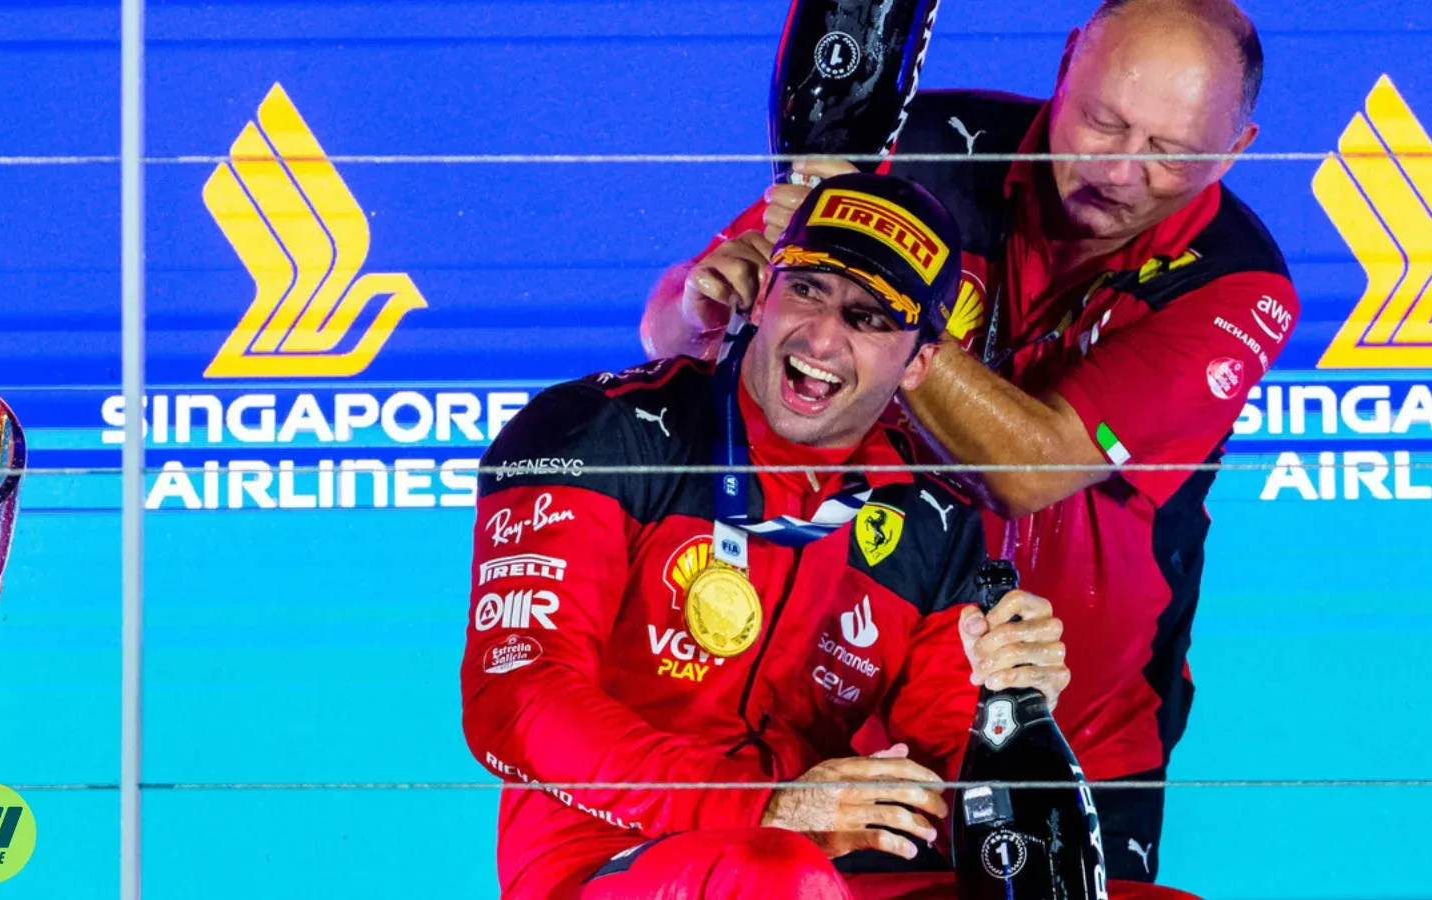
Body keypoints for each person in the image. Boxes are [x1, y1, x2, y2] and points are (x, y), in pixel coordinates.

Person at [639, 0, 1299, 882]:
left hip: (1074, 737)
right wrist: (703, 303)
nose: (1119, 169)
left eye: (1168, 153)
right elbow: (675, 333)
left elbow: (1027, 469)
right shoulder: (917, 155)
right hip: (841, 714)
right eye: (1101, 121)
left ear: (1238, 147)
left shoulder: (1236, 288)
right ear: (1066, 65)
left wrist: (877, 306)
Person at [463, 173, 1093, 900]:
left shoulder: (933, 517)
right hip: (602, 861)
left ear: (920, 361)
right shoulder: (594, 430)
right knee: (776, 876)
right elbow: (515, 699)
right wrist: (768, 806)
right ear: (764, 294)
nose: (822, 338)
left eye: (870, 318)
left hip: (824, 867)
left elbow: (950, 773)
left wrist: (1008, 711)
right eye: (809, 290)